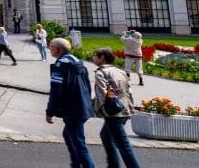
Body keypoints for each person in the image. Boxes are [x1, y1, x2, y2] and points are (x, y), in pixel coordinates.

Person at [45, 37, 95, 168]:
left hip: (72, 108)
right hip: (83, 105)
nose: (50, 49)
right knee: (68, 135)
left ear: (58, 49)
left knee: (78, 142)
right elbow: (88, 85)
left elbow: (56, 90)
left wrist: (50, 111)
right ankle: (76, 164)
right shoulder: (78, 62)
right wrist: (88, 102)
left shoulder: (60, 65)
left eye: (51, 47)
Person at [92, 48, 141, 168]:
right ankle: (113, 165)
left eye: (95, 56)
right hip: (125, 109)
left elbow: (102, 94)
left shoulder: (101, 73)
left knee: (123, 146)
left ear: (102, 57)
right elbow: (129, 91)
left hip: (113, 112)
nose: (93, 58)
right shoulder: (120, 71)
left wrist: (97, 110)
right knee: (106, 136)